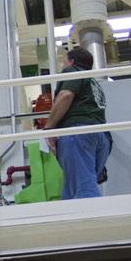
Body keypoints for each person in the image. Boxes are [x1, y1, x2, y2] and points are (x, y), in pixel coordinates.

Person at [41, 46, 111, 200]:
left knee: (84, 191)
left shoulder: (72, 72)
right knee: (73, 191)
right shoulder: (93, 83)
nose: (63, 65)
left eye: (64, 61)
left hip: (78, 135)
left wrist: (49, 127)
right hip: (101, 138)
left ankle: (94, 223)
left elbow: (66, 95)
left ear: (71, 62)